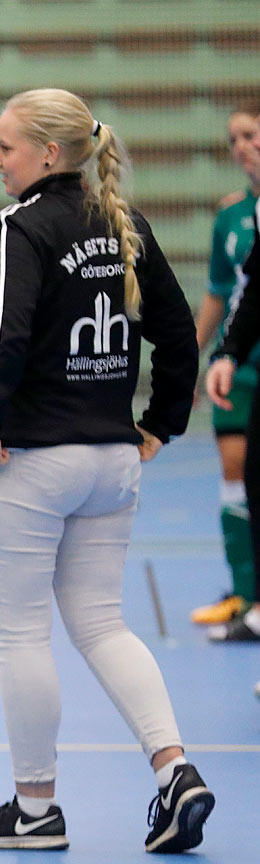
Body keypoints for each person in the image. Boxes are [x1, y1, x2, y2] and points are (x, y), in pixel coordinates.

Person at [0, 88, 214, 854]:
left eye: (5, 147)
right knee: (103, 623)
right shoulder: (124, 224)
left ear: (49, 155)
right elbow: (177, 333)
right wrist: (160, 423)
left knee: (21, 632)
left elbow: (6, 334)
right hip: (111, 459)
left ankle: (36, 811)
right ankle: (176, 770)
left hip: (31, 461)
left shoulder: (18, 228)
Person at [191, 101, 260, 633]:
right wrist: (191, 358)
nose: (241, 145)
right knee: (237, 473)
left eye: (250, 134)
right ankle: (245, 594)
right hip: (241, 367)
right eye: (234, 137)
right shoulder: (231, 216)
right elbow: (222, 295)